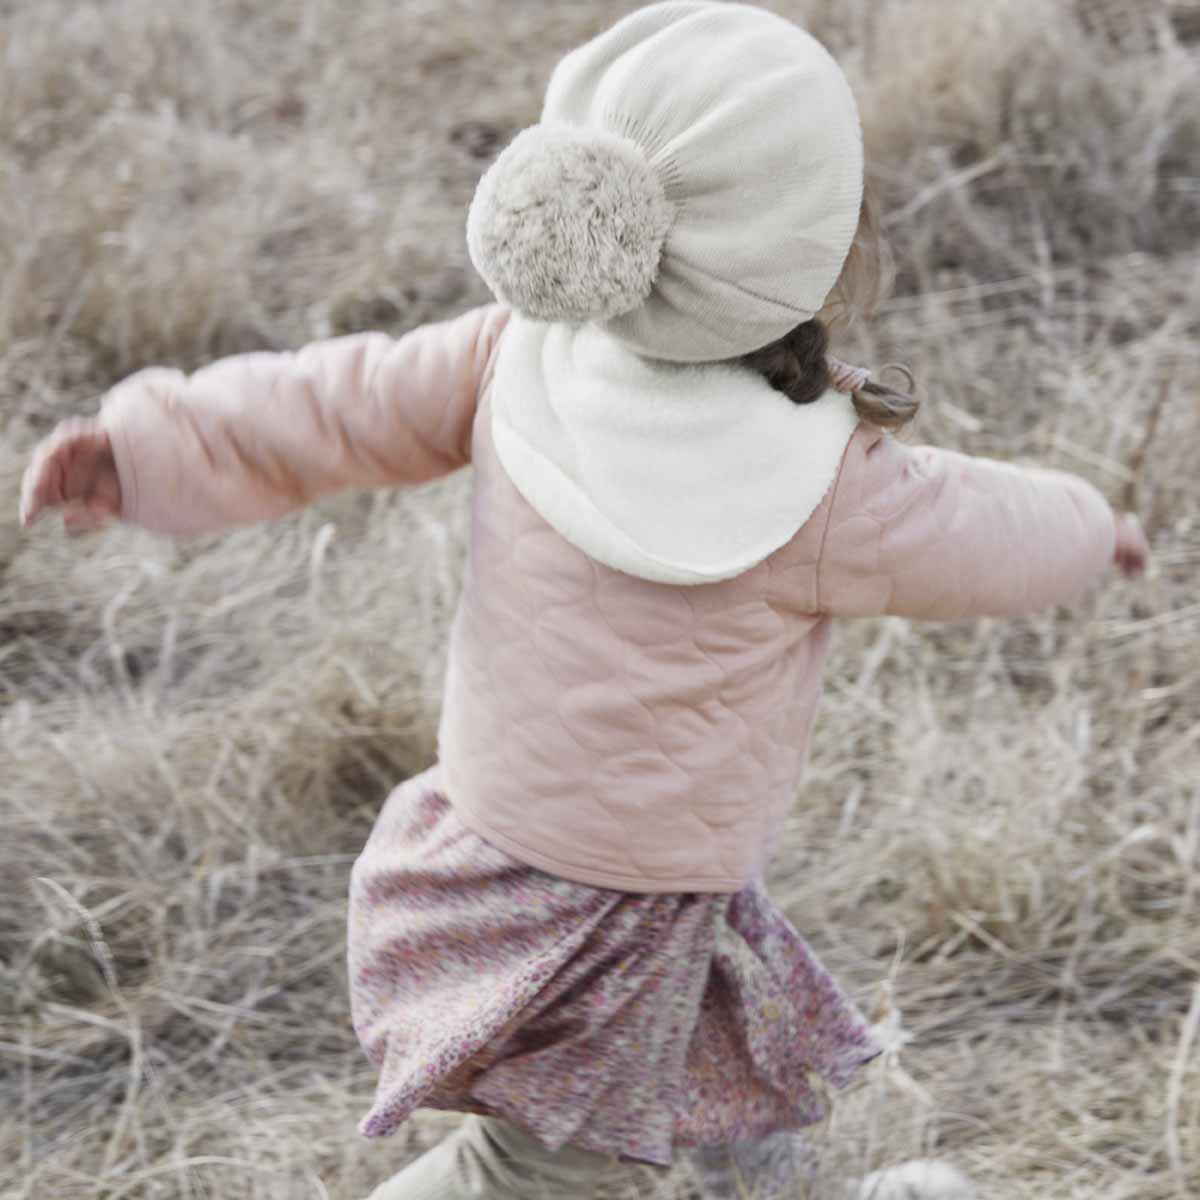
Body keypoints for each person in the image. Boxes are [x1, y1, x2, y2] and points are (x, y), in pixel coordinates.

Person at [18, 3, 1149, 1197]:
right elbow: (982, 529)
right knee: (532, 1174)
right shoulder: (825, 489)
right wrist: (1095, 528)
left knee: (716, 1061)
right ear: (815, 249)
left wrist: (152, 446)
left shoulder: (515, 354)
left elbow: (333, 404)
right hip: (618, 908)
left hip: (495, 840)